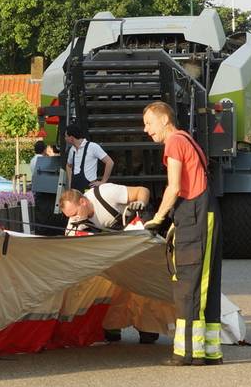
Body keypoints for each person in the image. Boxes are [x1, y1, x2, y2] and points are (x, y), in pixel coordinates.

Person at [141, 102, 222, 366]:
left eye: (149, 123)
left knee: (188, 284)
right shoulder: (188, 139)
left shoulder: (174, 142)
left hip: (195, 218)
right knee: (205, 284)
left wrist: (157, 218)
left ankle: (186, 352)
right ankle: (207, 352)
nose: (146, 130)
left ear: (165, 120)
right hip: (203, 215)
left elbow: (174, 187)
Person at [58, 184, 150, 235]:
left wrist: (141, 202)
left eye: (75, 214)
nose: (74, 219)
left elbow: (142, 190)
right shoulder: (73, 218)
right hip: (116, 237)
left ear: (83, 202)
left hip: (135, 223)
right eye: (70, 216)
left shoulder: (106, 193)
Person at [65, 125, 113, 191]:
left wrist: (103, 182)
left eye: (66, 136)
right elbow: (68, 166)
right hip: (75, 189)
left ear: (71, 138)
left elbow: (110, 162)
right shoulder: (72, 150)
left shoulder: (92, 147)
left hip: (89, 189)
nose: (65, 138)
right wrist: (70, 181)